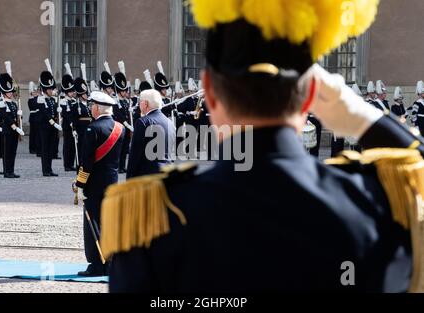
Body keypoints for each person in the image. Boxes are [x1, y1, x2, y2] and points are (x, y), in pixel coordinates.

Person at [102, 0, 424, 293]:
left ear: (210, 95)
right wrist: (364, 120)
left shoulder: (152, 218)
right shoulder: (375, 205)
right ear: (311, 97)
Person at [75, 91, 125, 277]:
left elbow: (86, 161)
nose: (90, 109)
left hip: (94, 186)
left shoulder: (92, 129)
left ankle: (96, 264)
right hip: (112, 183)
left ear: (96, 108)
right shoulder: (121, 128)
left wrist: (80, 185)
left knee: (92, 225)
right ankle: (110, 262)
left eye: (91, 106)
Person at [126, 89, 176, 179]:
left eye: (140, 101)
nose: (138, 104)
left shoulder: (143, 122)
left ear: (145, 104)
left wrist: (129, 178)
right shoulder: (169, 122)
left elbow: (135, 154)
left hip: (148, 176)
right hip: (167, 173)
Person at [0, 62, 23, 179]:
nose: (10, 93)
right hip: (8, 130)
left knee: (13, 152)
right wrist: (15, 126)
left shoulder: (13, 103)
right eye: (8, 91)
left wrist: (19, 116)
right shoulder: (1, 102)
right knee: (7, 153)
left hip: (14, 131)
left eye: (11, 91)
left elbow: (15, 117)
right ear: (4, 92)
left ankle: (11, 171)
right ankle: (6, 172)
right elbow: (5, 117)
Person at [37, 65, 62, 177]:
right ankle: (45, 170)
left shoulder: (52, 100)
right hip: (45, 127)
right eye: (50, 89)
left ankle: (50, 168)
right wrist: (54, 123)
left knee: (51, 148)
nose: (52, 91)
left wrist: (58, 113)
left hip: (53, 127)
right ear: (45, 90)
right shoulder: (41, 99)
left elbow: (54, 113)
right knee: (45, 149)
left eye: (52, 89)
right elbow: (45, 114)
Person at [113, 61, 133, 173]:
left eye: (126, 91)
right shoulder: (116, 101)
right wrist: (127, 124)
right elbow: (118, 115)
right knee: (119, 148)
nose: (125, 92)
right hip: (120, 127)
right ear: (119, 91)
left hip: (127, 128)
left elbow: (127, 114)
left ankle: (122, 166)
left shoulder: (125, 102)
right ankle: (118, 166)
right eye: (124, 91)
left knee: (125, 148)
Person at [72, 77, 92, 166]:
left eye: (86, 93)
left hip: (89, 129)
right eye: (84, 93)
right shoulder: (77, 105)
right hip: (81, 130)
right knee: (80, 150)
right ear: (80, 94)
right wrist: (74, 129)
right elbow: (74, 119)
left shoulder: (88, 105)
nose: (86, 95)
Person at [60, 63, 77, 171]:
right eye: (70, 91)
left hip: (74, 126)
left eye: (72, 91)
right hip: (67, 125)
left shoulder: (74, 101)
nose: (72, 93)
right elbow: (66, 114)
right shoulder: (63, 101)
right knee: (67, 145)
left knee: (73, 145)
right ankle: (67, 164)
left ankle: (71, 163)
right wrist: (71, 122)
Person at [28, 81, 41, 156]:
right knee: (33, 134)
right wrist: (36, 96)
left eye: (36, 91)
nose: (36, 93)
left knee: (37, 134)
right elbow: (34, 106)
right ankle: (32, 148)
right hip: (33, 118)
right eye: (34, 92)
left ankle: (36, 147)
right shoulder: (31, 99)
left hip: (37, 118)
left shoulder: (37, 98)